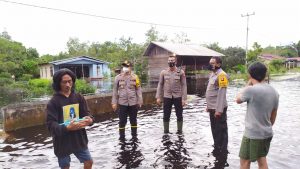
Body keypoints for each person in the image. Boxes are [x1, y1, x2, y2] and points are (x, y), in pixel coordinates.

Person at [46, 68, 94, 169]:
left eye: (70, 81)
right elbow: (51, 125)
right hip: (62, 141)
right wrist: (67, 128)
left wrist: (90, 120)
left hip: (78, 138)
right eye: (64, 82)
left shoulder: (78, 97)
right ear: (58, 83)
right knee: (65, 166)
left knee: (89, 162)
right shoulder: (53, 102)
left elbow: (87, 114)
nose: (68, 85)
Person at [236, 62, 279, 169]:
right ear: (265, 74)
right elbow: (273, 117)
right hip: (267, 133)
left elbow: (238, 99)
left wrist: (247, 84)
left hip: (252, 134)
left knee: (245, 161)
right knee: (262, 160)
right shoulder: (274, 91)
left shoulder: (251, 90)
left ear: (250, 75)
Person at [112, 60, 143, 140]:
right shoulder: (118, 78)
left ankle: (134, 136)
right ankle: (122, 138)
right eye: (124, 66)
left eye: (127, 66)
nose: (125, 68)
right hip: (122, 103)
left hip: (133, 103)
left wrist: (140, 100)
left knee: (133, 120)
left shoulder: (135, 77)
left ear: (130, 67)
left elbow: (138, 89)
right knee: (122, 121)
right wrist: (114, 103)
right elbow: (115, 91)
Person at [156, 54, 187, 134]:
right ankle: (166, 131)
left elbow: (184, 85)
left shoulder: (181, 72)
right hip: (167, 96)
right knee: (166, 115)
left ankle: (179, 131)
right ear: (167, 62)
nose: (171, 62)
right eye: (169, 61)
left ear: (175, 62)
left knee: (179, 115)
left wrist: (184, 99)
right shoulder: (163, 72)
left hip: (178, 96)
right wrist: (158, 97)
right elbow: (160, 84)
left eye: (172, 61)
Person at [205, 56, 229, 154]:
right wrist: (208, 106)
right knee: (214, 129)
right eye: (210, 63)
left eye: (213, 63)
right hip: (212, 108)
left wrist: (219, 110)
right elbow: (211, 91)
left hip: (218, 109)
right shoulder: (213, 74)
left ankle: (223, 150)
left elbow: (221, 93)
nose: (211, 65)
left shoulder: (222, 75)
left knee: (221, 130)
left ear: (219, 64)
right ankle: (217, 146)